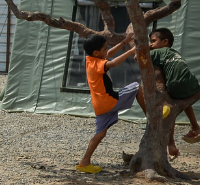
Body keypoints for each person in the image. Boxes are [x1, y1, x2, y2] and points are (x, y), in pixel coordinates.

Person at [77, 33, 146, 173]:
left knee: (100, 134)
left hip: (100, 106)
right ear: (96, 52)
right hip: (110, 101)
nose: (106, 51)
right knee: (136, 87)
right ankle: (150, 114)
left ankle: (84, 162)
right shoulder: (99, 63)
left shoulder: (91, 60)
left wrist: (124, 42)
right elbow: (113, 63)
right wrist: (131, 51)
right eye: (104, 49)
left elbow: (109, 54)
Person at [149, 28, 200, 159]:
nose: (151, 45)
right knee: (182, 102)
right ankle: (195, 126)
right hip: (192, 83)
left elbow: (140, 58)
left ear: (165, 42)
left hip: (175, 85)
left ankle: (171, 143)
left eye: (153, 41)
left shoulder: (160, 51)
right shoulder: (174, 53)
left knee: (171, 109)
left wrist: (139, 50)